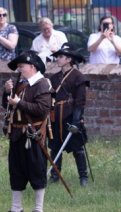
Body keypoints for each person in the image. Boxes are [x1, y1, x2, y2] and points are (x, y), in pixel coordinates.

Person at [2, 51, 52, 212]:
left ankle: (38, 209)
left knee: (37, 170)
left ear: (32, 67)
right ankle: (16, 209)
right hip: (16, 133)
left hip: (34, 134)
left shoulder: (42, 84)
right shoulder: (19, 83)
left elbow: (42, 110)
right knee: (16, 171)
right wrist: (6, 92)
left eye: (21, 67)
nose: (18, 70)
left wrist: (19, 103)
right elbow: (7, 107)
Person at [48, 43, 90, 186]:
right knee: (55, 147)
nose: (57, 59)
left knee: (77, 149)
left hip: (71, 117)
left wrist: (76, 121)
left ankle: (83, 178)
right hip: (56, 117)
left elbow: (80, 102)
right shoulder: (54, 78)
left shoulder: (79, 77)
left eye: (60, 56)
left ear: (69, 59)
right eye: (57, 56)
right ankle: (55, 175)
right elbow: (50, 98)